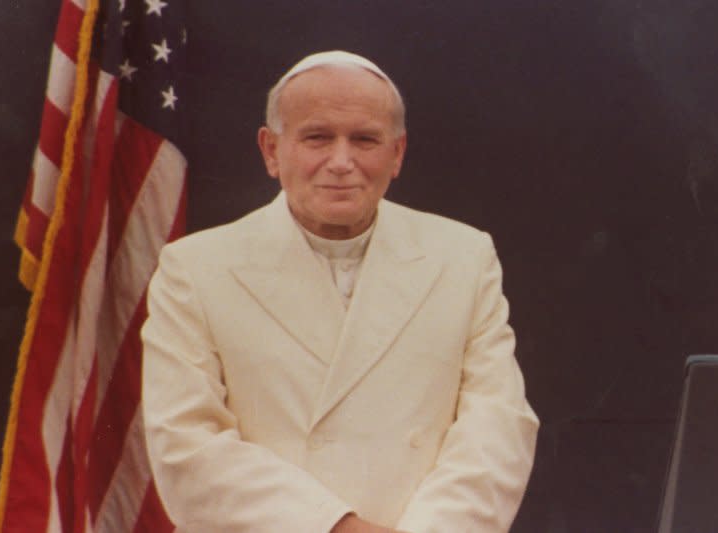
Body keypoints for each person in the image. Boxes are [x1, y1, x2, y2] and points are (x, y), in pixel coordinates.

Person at [141, 50, 539, 533]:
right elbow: (187, 444)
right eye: (317, 138)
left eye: (366, 140)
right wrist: (338, 527)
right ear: (271, 150)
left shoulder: (464, 257)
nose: (342, 162)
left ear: (397, 154)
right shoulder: (195, 269)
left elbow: (497, 425)